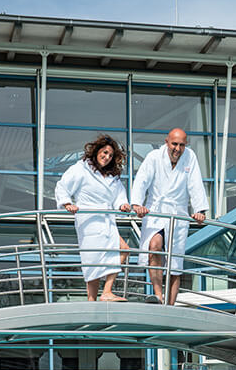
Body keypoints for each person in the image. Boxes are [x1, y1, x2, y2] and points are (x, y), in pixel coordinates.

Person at [131, 128, 208, 304]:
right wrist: (137, 204)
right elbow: (142, 180)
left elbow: (195, 183)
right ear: (166, 142)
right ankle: (158, 295)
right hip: (156, 211)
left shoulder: (190, 157)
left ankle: (170, 305)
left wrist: (200, 210)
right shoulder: (153, 157)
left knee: (175, 264)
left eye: (181, 145)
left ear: (185, 144)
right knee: (154, 246)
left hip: (178, 213)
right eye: (174, 144)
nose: (177, 149)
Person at [54, 134, 131, 302]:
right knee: (93, 260)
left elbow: (119, 196)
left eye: (110, 155)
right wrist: (67, 203)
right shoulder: (81, 168)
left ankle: (106, 292)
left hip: (107, 220)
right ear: (96, 152)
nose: (106, 157)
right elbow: (63, 186)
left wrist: (123, 205)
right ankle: (92, 300)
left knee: (124, 249)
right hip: (89, 220)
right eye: (104, 153)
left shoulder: (112, 176)